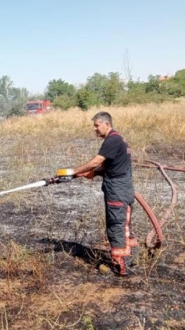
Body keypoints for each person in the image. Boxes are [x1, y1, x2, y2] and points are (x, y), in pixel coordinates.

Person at [70, 111, 137, 276]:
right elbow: (109, 165)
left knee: (116, 225)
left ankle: (121, 266)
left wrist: (72, 171)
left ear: (107, 124)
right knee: (123, 224)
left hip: (117, 190)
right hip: (122, 187)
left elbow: (95, 161)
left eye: (96, 125)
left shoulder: (112, 139)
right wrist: (92, 173)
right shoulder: (117, 139)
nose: (94, 129)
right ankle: (126, 261)